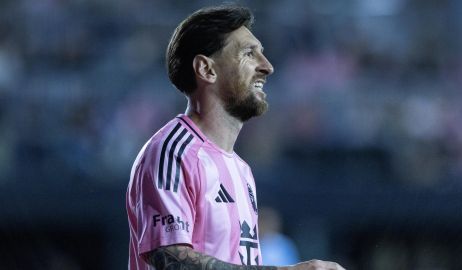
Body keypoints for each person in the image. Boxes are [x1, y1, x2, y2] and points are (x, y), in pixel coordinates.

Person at [126, 5, 345, 270]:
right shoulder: (172, 151)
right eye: (249, 53)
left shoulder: (241, 169)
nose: (268, 67)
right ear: (206, 69)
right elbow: (170, 259)